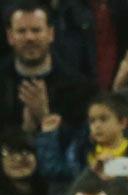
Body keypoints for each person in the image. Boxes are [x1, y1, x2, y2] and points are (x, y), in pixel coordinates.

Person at [0, 0, 94, 132]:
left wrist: (44, 117)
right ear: (10, 36)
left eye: (36, 30)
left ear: (50, 34)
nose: (30, 38)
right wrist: (22, 131)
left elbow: (80, 142)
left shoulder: (78, 87)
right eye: (21, 31)